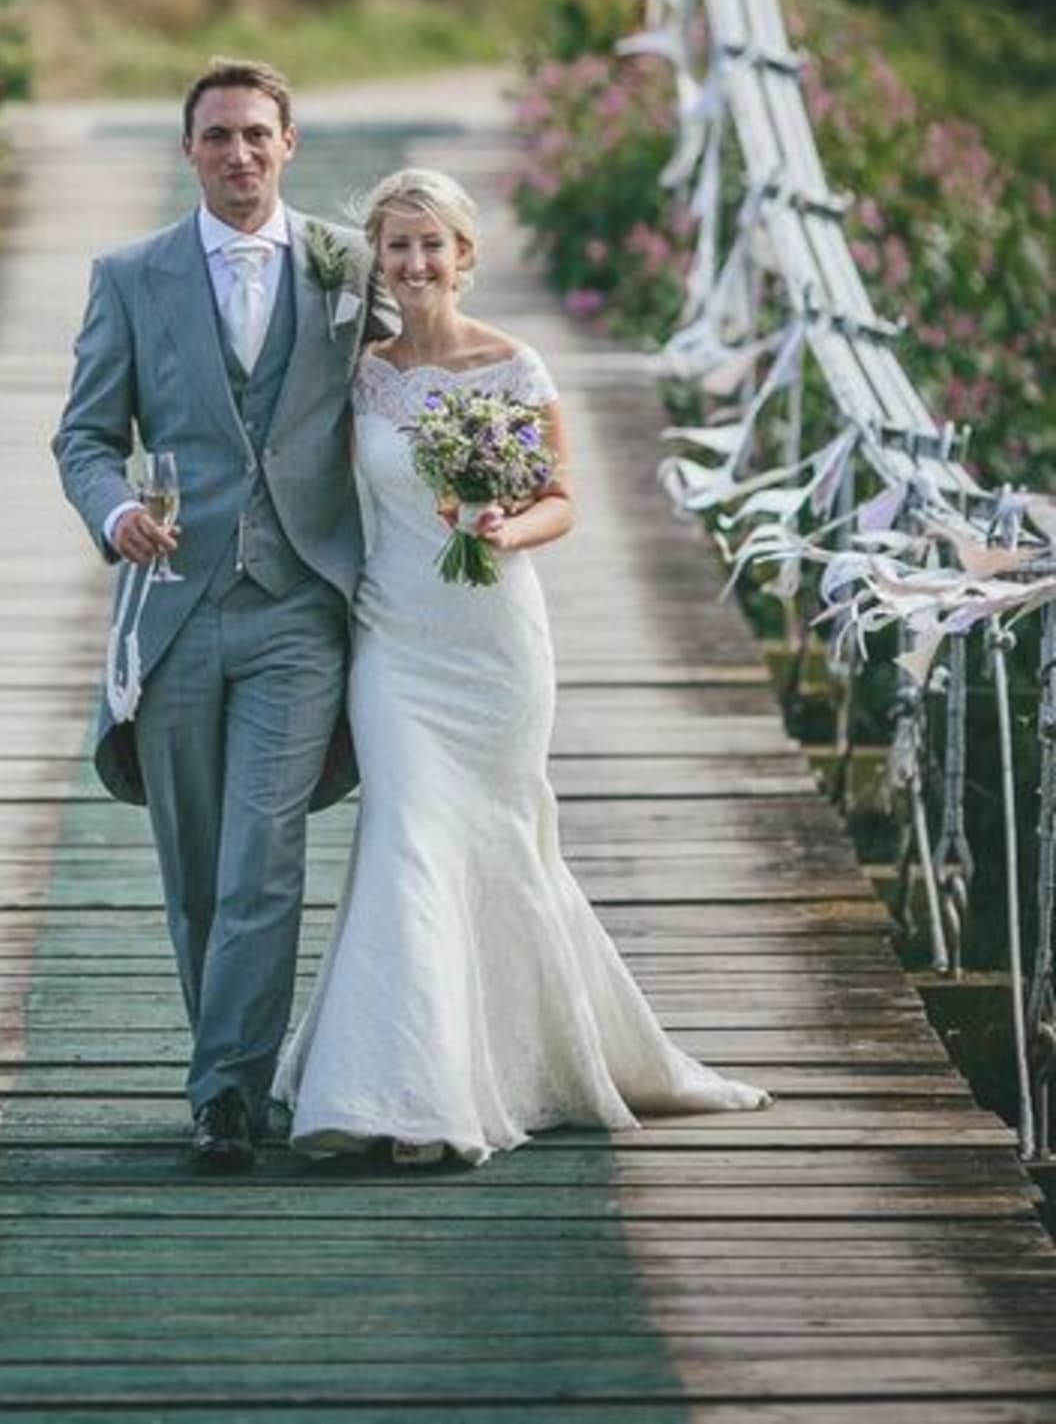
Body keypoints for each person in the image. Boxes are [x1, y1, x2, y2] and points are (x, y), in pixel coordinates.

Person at [274, 166, 771, 1165]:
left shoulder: (515, 364)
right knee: (407, 837)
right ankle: (400, 1088)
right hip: (394, 640)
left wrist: (503, 526)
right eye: (398, 245)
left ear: (464, 257)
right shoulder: (359, 372)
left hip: (493, 642)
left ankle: (487, 1066)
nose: (415, 263)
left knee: (498, 842)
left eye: (432, 245)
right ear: (378, 258)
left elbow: (561, 497)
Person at [53, 57, 382, 1172]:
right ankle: (227, 1065)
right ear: (187, 150)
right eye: (215, 137)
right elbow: (86, 435)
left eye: (256, 134)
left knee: (262, 857)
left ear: (289, 143)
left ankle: (226, 1091)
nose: (237, 154)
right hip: (178, 614)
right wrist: (112, 516)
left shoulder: (348, 271)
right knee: (193, 865)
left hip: (298, 606)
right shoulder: (130, 274)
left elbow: (415, 372)